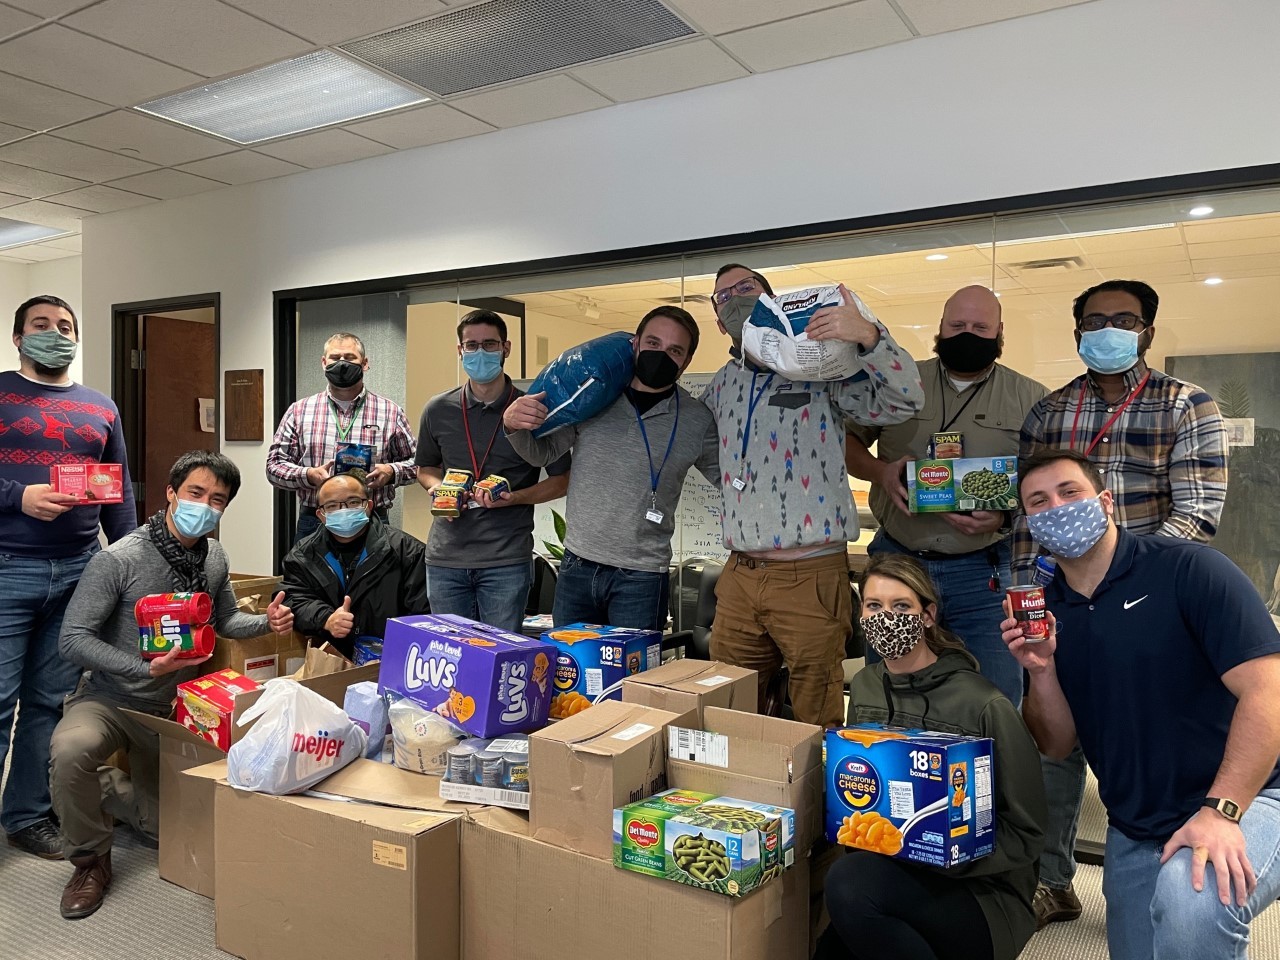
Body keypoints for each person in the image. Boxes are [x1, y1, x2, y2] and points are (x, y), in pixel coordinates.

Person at [1003, 450, 1280, 960]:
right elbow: (1058, 743)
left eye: (1070, 493)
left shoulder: (1189, 569)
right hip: (1136, 823)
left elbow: (1270, 690)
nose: (1057, 508)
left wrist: (1221, 811)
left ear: (1106, 502)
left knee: (1193, 903)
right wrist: (1040, 672)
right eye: (1039, 502)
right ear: (1032, 526)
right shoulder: (1047, 612)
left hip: (1251, 796)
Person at [1013, 279, 1229, 928]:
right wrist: (1031, 601)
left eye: (1124, 319)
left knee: (1146, 740)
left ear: (1149, 332)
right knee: (1058, 747)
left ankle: (1152, 872)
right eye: (1095, 320)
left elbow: (1197, 515)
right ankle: (1054, 880)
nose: (1108, 329)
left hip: (1156, 609)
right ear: (1077, 332)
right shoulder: (1051, 410)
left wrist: (1127, 584)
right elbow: (1031, 516)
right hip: (1064, 606)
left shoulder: (1189, 405)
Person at [50, 451, 294, 919]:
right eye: (195, 493)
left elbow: (224, 621)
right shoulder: (119, 559)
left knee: (162, 828)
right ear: (171, 493)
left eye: (217, 500)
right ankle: (89, 861)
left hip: (175, 709)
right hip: (110, 698)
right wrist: (144, 670)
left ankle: (104, 789)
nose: (204, 505)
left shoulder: (214, 555)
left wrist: (267, 621)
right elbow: (72, 640)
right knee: (70, 750)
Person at [701, 263, 924, 726]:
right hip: (740, 574)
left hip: (810, 575)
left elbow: (904, 400)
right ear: (720, 320)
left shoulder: (821, 366)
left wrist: (870, 337)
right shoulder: (721, 384)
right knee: (729, 708)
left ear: (772, 303)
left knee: (815, 711)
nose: (736, 297)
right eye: (724, 296)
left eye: (747, 288)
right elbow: (704, 450)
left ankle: (811, 799)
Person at [818, 553, 1045, 960]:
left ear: (927, 615)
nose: (886, 618)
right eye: (874, 606)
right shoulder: (866, 686)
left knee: (849, 884)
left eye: (901, 606)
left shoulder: (983, 703)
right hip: (893, 873)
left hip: (980, 892)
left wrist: (952, 854)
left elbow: (1027, 832)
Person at [846, 285, 1046, 706]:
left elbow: (1045, 485)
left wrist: (1005, 518)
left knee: (996, 698)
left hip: (985, 575)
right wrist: (881, 473)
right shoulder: (896, 383)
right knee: (889, 695)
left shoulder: (1032, 398)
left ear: (999, 332)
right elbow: (846, 444)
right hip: (898, 567)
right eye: (957, 325)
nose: (967, 334)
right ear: (940, 327)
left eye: (980, 326)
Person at [0, 295, 139, 862]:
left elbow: (119, 490)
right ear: (17, 337)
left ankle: (26, 816)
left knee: (48, 702)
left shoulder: (100, 407)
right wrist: (18, 497)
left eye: (64, 326)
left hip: (81, 574)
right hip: (7, 568)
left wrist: (131, 559)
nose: (54, 333)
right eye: (41, 325)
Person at [504, 306, 718, 631]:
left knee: (636, 679)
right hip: (577, 566)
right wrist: (512, 423)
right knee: (571, 675)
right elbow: (541, 453)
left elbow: (730, 479)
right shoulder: (593, 397)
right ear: (635, 344)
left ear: (686, 361)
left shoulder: (696, 419)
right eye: (653, 343)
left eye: (675, 350)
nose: (661, 355)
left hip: (642, 578)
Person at [416, 310, 570, 633]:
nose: (479, 352)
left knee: (499, 659)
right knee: (451, 659)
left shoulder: (533, 411)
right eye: (471, 346)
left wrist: (515, 498)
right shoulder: (437, 409)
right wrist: (436, 489)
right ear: (460, 351)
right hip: (446, 560)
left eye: (489, 344)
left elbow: (561, 480)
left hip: (505, 561)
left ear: (506, 348)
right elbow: (426, 468)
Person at [267, 332, 417, 542]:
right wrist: (308, 475)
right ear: (323, 362)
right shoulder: (299, 411)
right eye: (335, 358)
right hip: (316, 519)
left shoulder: (390, 411)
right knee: (309, 576)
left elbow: (419, 464)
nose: (343, 364)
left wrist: (391, 472)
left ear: (364, 363)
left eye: (350, 357)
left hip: (372, 518)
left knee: (377, 576)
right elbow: (274, 467)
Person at [280, 472, 428, 658]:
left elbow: (423, 616)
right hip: (329, 660)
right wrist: (326, 618)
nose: (344, 510)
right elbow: (293, 598)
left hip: (393, 659)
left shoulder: (407, 551)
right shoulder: (302, 556)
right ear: (321, 515)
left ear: (369, 506)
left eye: (353, 502)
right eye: (332, 506)